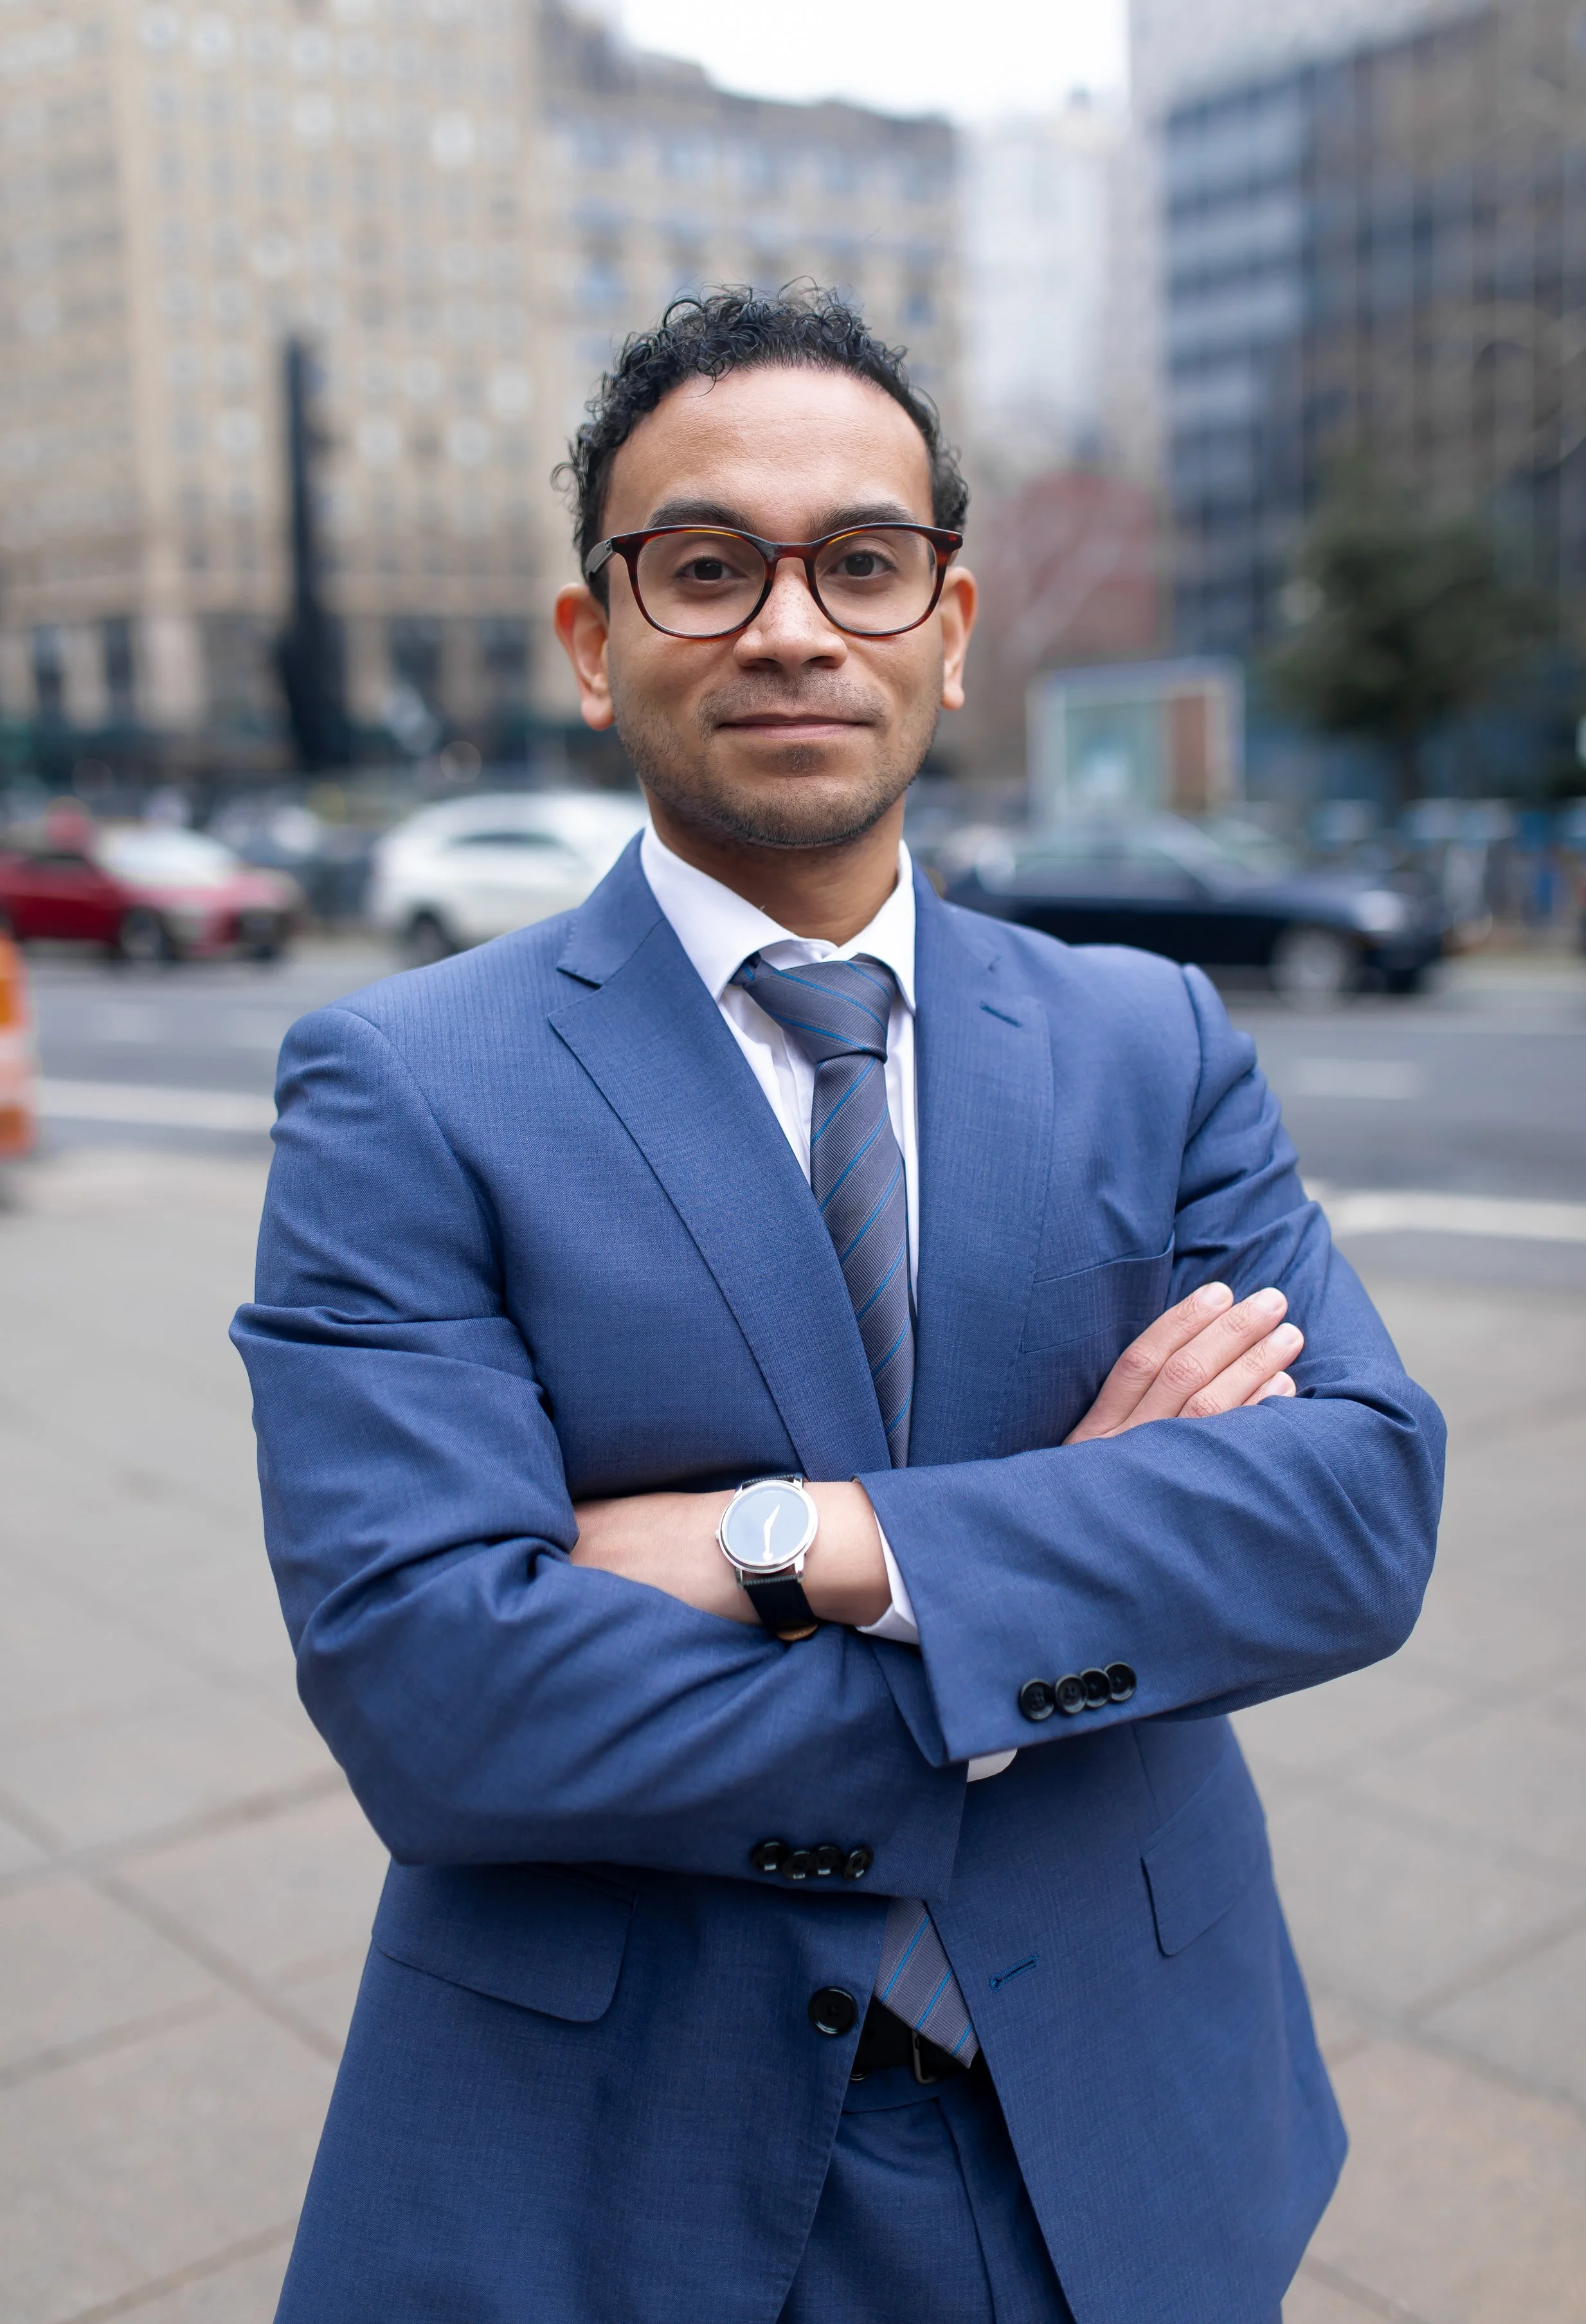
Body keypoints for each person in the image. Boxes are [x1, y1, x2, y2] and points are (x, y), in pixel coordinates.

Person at [233, 288, 1444, 2324]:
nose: (791, 625)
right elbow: (439, 1701)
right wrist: (1062, 1599)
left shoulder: (1149, 1039)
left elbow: (1352, 1519)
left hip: (1134, 2101)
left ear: (949, 631)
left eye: (862, 563)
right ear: (591, 640)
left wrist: (799, 1542)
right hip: (627, 2156)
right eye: (706, 565)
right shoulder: (404, 1085)